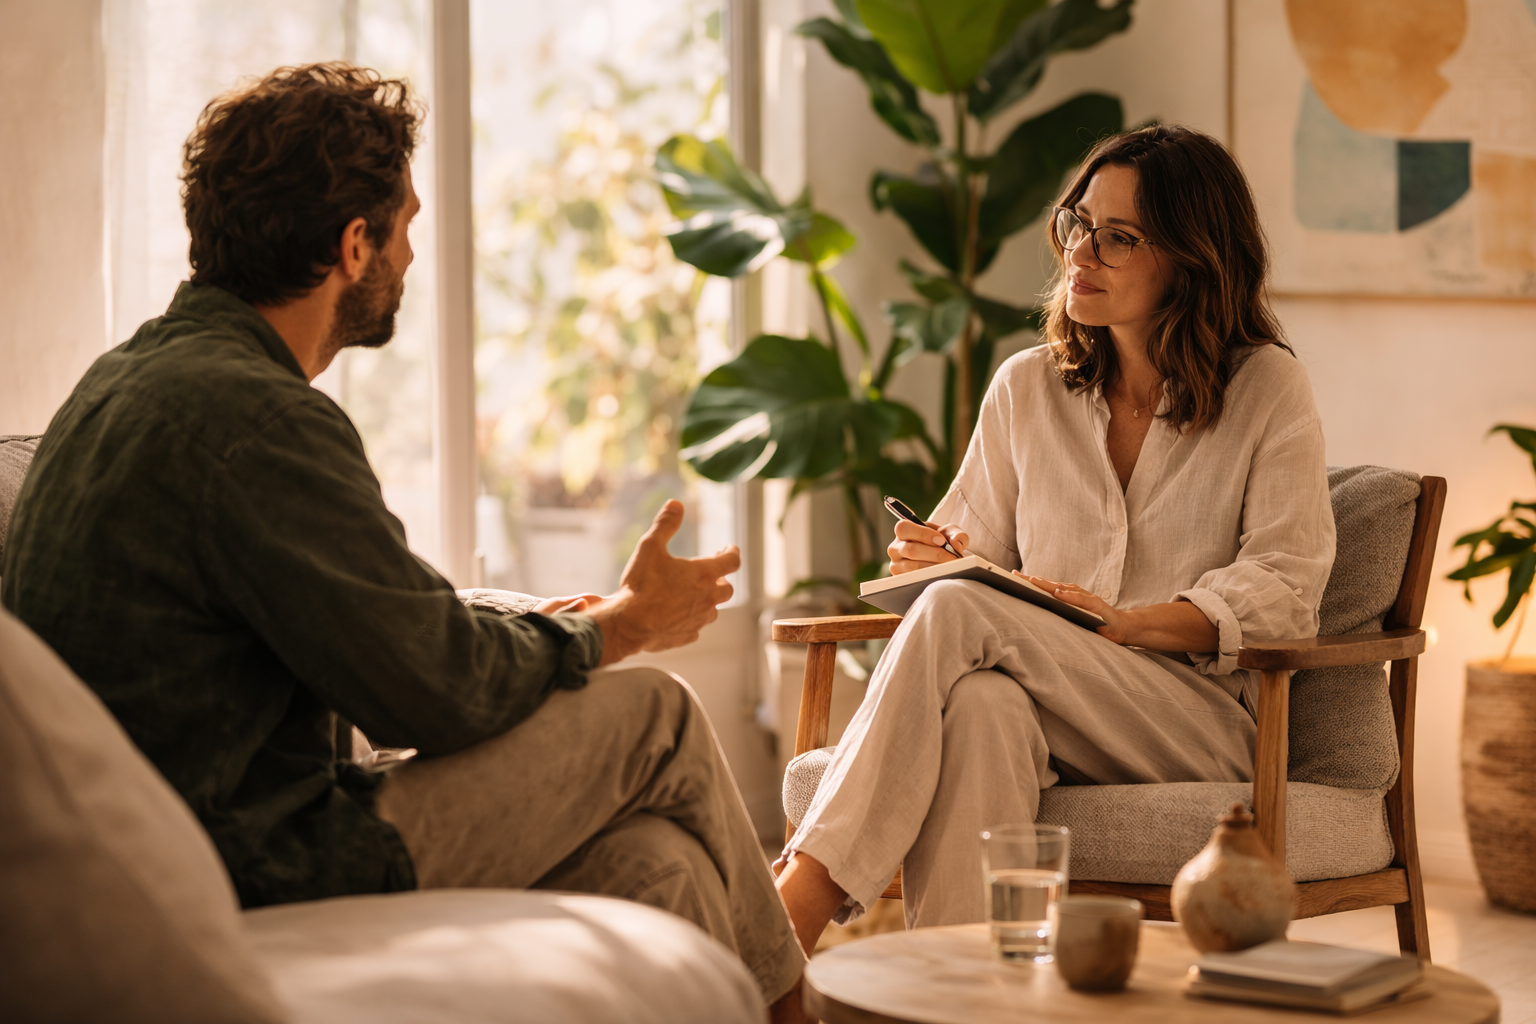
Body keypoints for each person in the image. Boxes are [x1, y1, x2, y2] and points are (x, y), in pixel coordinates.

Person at [1, 64, 809, 1020]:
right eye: (408, 225)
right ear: (354, 245)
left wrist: (552, 625)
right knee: (657, 717)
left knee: (656, 865)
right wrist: (618, 629)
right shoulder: (256, 419)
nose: (412, 255)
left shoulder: (127, 380)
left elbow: (369, 616)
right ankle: (800, 1010)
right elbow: (434, 691)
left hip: (207, 825)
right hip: (258, 854)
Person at [773, 124, 1337, 952]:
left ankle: (793, 907)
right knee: (980, 704)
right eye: (1079, 224)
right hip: (1043, 708)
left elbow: (1287, 589)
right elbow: (965, 562)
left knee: (966, 616)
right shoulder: (1024, 387)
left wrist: (1126, 620)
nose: (1082, 253)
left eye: (1120, 238)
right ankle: (971, 996)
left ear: (1192, 257)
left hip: (1193, 723)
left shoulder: (1266, 387)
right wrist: (925, 558)